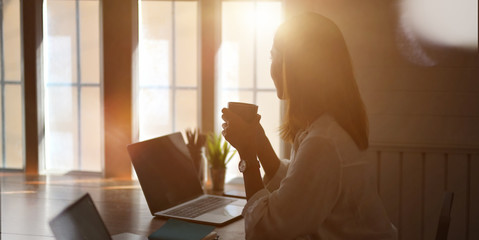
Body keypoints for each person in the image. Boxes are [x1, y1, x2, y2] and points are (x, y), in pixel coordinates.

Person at [221, 12, 398, 239]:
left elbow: (265, 231)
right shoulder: (326, 128)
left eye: (274, 57)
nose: (272, 67)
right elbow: (298, 189)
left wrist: (247, 154)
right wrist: (261, 145)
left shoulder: (323, 143)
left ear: (296, 67)